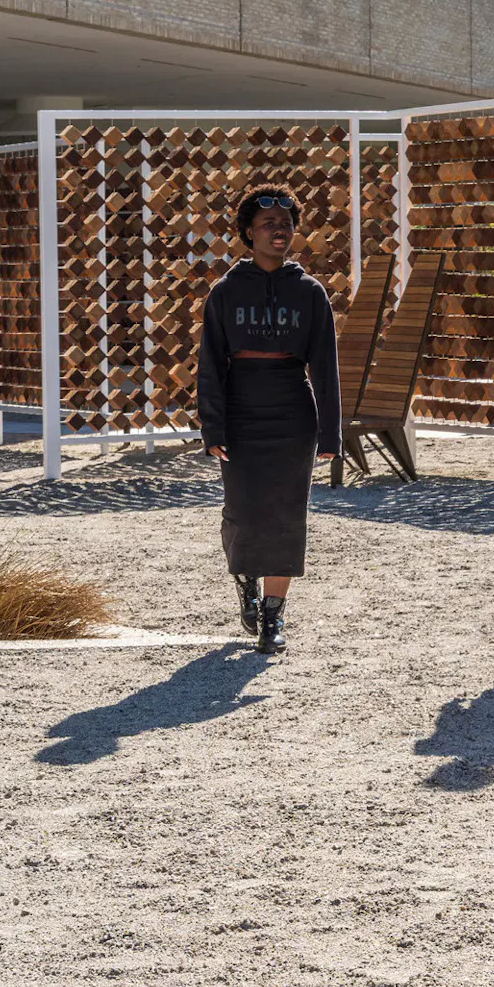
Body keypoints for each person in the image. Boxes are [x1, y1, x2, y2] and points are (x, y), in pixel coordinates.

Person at [194, 186, 341, 656]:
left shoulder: (309, 292)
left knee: (286, 514)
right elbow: (210, 365)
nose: (279, 231)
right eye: (268, 224)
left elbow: (325, 366)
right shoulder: (225, 291)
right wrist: (212, 427)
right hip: (240, 412)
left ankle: (273, 616)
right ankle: (246, 581)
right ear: (247, 233)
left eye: (286, 224)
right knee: (242, 512)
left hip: (292, 413)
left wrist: (330, 431)